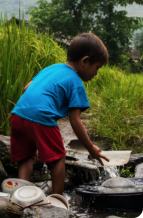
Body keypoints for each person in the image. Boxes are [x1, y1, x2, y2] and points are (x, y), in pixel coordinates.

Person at [10, 33, 110, 194]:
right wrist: (91, 148)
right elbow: (75, 121)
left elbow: (26, 88)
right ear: (85, 61)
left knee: (27, 157)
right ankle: (58, 199)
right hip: (41, 118)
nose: (96, 73)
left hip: (18, 114)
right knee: (57, 158)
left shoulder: (52, 68)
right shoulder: (76, 82)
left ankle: (21, 195)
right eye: (97, 67)